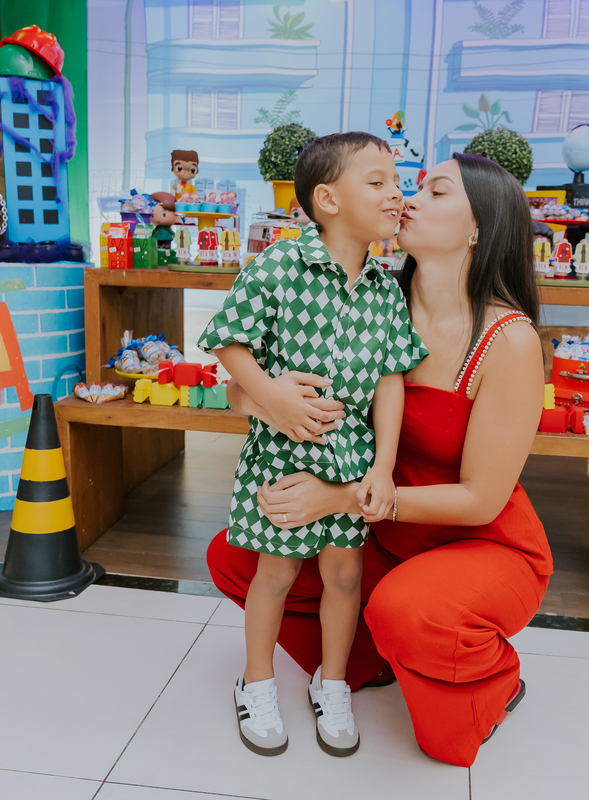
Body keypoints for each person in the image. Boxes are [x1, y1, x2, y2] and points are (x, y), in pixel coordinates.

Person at [207, 152, 551, 767]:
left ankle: (495, 674)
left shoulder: (510, 341)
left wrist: (339, 498)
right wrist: (272, 401)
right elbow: (245, 384)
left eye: (435, 191)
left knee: (411, 631)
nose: (408, 198)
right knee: (236, 555)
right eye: (401, 186)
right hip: (381, 532)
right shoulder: (369, 299)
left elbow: (481, 500)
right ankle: (360, 666)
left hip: (472, 539)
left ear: (480, 227)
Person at [198, 132, 424, 758]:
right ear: (326, 199)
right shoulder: (278, 265)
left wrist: (382, 464)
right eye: (376, 182)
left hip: (350, 452)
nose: (394, 193)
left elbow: (390, 381)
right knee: (274, 572)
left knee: (344, 574)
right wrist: (270, 395)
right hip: (282, 450)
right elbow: (227, 341)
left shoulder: (384, 289)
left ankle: (332, 683)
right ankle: (257, 682)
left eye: (396, 181)